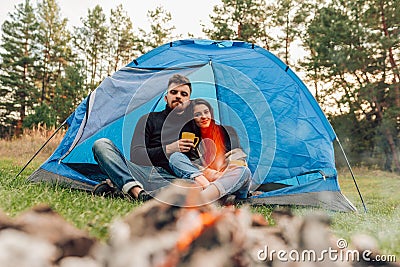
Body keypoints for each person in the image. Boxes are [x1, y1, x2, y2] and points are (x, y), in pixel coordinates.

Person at [92, 74, 204, 201]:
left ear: (189, 101)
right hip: (141, 171)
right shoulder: (148, 119)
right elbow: (136, 155)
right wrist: (168, 149)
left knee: (195, 186)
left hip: (169, 178)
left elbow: (193, 165)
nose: (178, 96)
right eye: (174, 92)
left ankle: (119, 188)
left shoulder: (194, 126)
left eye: (184, 94)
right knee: (101, 145)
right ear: (166, 98)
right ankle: (138, 192)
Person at [168, 98, 251, 203]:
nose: (203, 116)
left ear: (211, 113)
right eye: (197, 114)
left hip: (228, 180)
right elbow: (191, 165)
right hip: (204, 180)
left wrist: (220, 175)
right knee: (175, 157)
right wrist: (210, 176)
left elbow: (238, 157)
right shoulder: (190, 137)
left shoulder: (227, 131)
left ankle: (200, 200)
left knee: (244, 171)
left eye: (206, 112)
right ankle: (211, 194)